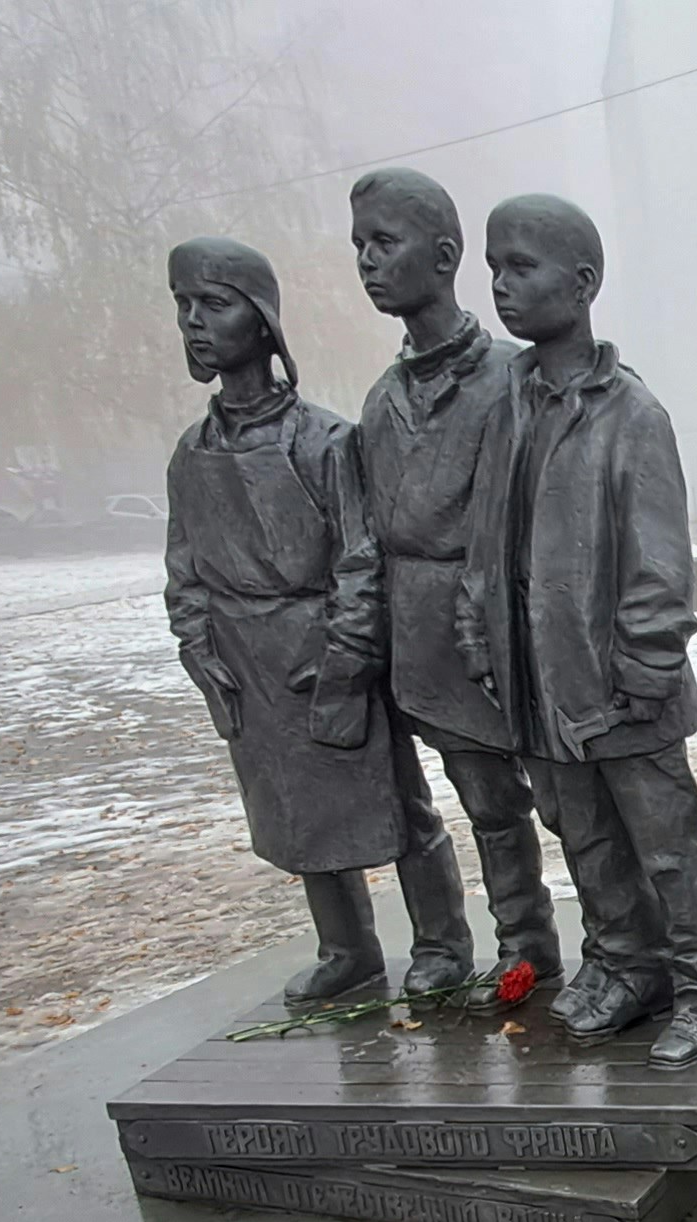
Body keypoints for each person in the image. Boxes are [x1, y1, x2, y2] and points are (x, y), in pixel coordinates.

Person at [458, 195, 697, 1069]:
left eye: (522, 267)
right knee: (584, 842)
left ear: (581, 285)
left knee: (667, 853)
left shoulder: (632, 416)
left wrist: (642, 677)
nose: (501, 285)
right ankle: (624, 967)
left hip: (624, 694)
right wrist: (482, 640)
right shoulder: (507, 407)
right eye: (495, 266)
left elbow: (660, 567)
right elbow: (483, 542)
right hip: (540, 686)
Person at [160, 235, 465, 1008]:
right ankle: (347, 949)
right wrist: (202, 651)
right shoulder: (191, 454)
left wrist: (344, 657)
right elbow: (184, 569)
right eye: (183, 306)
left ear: (263, 322)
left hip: (326, 653)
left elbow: (364, 560)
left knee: (396, 804)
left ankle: (441, 942)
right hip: (246, 666)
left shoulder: (326, 443)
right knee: (293, 815)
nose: (195, 322)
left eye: (214, 304)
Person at [346, 168, 559, 1011]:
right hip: (418, 632)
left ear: (443, 257)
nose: (367, 263)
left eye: (383, 243)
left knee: (560, 806)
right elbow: (366, 530)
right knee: (477, 805)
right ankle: (506, 946)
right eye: (359, 247)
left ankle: (608, 952)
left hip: (507, 626)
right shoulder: (381, 398)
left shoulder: (512, 375)